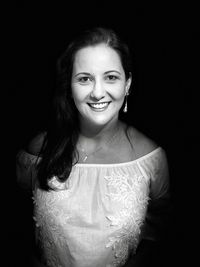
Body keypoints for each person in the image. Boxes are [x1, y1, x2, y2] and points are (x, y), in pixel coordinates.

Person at [16, 27, 171, 267]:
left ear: (127, 84)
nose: (98, 93)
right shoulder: (39, 149)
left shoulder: (151, 159)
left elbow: (159, 235)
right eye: (85, 79)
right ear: (69, 85)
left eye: (111, 77)